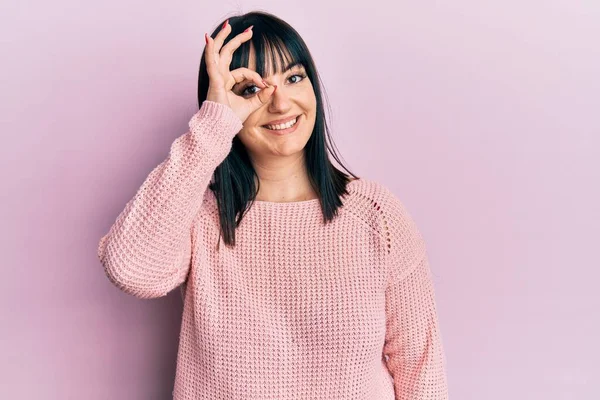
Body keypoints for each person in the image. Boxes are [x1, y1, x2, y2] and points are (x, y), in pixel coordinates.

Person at [97, 10, 449, 400]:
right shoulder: (200, 213)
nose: (280, 102)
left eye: (294, 78)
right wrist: (214, 124)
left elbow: (421, 372)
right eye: (252, 90)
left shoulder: (376, 216)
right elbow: (130, 269)